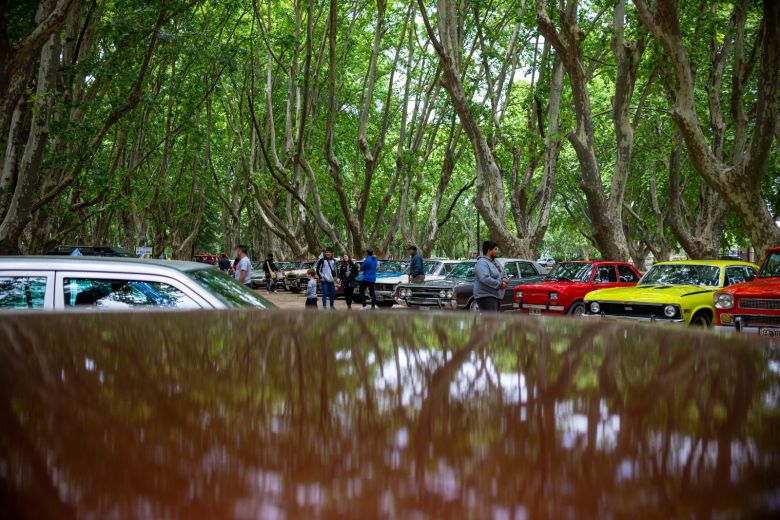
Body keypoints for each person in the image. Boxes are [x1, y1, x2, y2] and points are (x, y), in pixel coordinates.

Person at [473, 240, 508, 312]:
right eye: (495, 249)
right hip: (486, 296)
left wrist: (505, 278)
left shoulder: (495, 261)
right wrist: (500, 284)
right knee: (491, 321)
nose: (497, 251)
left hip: (496, 296)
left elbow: (503, 272)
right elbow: (485, 278)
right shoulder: (482, 263)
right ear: (489, 250)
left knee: (494, 321)